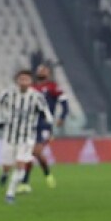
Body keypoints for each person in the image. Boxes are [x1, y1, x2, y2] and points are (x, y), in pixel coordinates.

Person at [0, 70, 53, 204]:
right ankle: (4, 174)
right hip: (9, 135)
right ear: (17, 81)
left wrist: (48, 121)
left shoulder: (36, 97)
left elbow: (46, 112)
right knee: (6, 166)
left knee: (21, 165)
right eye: (21, 79)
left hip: (27, 137)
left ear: (31, 81)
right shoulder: (8, 94)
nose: (24, 82)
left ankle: (10, 194)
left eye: (26, 79)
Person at [19, 64, 68, 192]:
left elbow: (65, 104)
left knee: (35, 152)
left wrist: (62, 117)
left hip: (45, 125)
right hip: (31, 126)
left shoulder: (53, 87)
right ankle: (45, 175)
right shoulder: (32, 88)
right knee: (33, 153)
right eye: (39, 69)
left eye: (44, 69)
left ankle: (25, 181)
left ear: (48, 72)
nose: (41, 71)